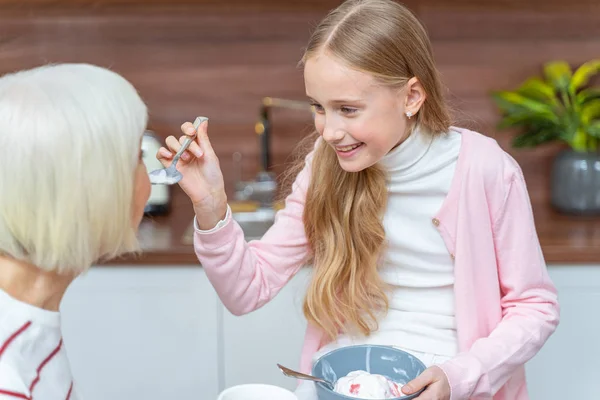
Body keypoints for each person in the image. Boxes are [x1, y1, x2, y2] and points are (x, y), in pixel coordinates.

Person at [158, 0, 559, 398]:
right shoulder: (324, 166)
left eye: (348, 109)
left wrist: (459, 376)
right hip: (342, 386)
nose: (330, 131)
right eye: (319, 107)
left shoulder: (485, 169)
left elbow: (535, 307)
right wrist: (210, 205)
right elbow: (247, 290)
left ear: (412, 96)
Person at [0, 63, 151, 399]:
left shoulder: (30, 317)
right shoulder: (7, 380)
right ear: (93, 189)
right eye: (139, 156)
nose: (150, 176)